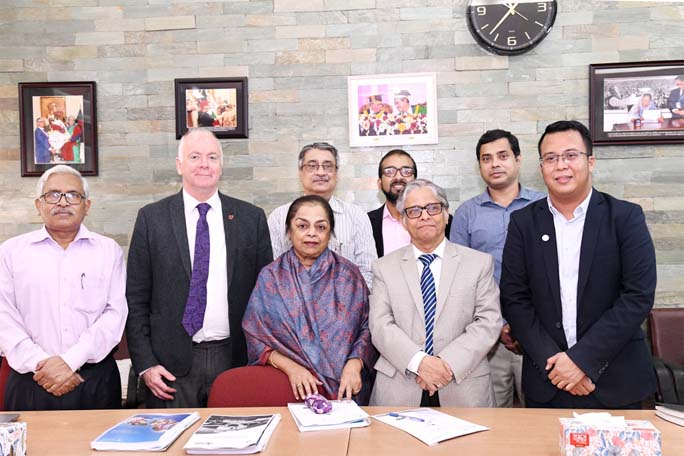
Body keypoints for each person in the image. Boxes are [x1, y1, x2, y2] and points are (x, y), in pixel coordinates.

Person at [501, 120, 657, 409]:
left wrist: (582, 361)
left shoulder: (625, 218)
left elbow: (638, 296)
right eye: (551, 158)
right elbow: (514, 298)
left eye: (571, 155)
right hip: (549, 380)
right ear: (541, 167)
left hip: (616, 381)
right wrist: (559, 367)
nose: (561, 165)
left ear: (591, 161)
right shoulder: (523, 223)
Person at [126, 128, 273, 408]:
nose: (204, 164)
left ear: (221, 165)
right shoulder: (151, 218)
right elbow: (135, 298)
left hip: (234, 359)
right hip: (169, 365)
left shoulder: (250, 218)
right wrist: (146, 364)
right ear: (179, 164)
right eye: (195, 156)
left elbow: (265, 298)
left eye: (212, 157)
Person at [0, 165, 127, 410]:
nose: (62, 202)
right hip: (32, 379)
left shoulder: (108, 251)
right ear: (38, 205)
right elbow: (4, 317)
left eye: (73, 195)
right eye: (53, 195)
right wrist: (43, 364)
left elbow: (114, 315)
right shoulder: (10, 253)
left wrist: (70, 361)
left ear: (87, 206)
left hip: (94, 379)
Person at [369, 179, 501, 407]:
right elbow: (380, 326)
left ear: (446, 214)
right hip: (400, 387)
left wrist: (444, 364)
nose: (424, 216)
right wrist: (420, 362)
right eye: (414, 211)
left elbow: (488, 322)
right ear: (403, 220)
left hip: (463, 385)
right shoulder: (383, 267)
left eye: (433, 208)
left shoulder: (478, 263)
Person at [243, 195, 376, 404]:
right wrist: (292, 368)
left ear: (330, 233)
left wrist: (355, 363)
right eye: (302, 226)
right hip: (289, 387)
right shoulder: (271, 278)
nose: (312, 233)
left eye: (321, 227)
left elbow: (368, 326)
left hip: (347, 389)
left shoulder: (349, 276)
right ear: (289, 231)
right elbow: (255, 336)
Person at [449, 130, 545, 408]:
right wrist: (499, 325)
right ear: (479, 166)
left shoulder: (543, 205)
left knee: (540, 414)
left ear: (518, 160)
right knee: (493, 416)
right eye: (486, 158)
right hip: (488, 338)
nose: (495, 164)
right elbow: (460, 278)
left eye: (503, 156)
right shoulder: (467, 213)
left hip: (541, 333)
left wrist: (525, 324)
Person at [267, 142, 376, 287]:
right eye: (312, 166)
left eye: (328, 166)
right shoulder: (279, 217)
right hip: (291, 307)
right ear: (300, 172)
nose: (320, 172)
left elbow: (368, 271)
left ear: (336, 173)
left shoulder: (356, 216)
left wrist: (344, 303)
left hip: (345, 306)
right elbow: (273, 272)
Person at [368, 149, 453, 257]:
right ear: (379, 184)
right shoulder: (366, 223)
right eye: (389, 171)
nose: (398, 177)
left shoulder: (442, 220)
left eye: (406, 171)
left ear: (415, 181)